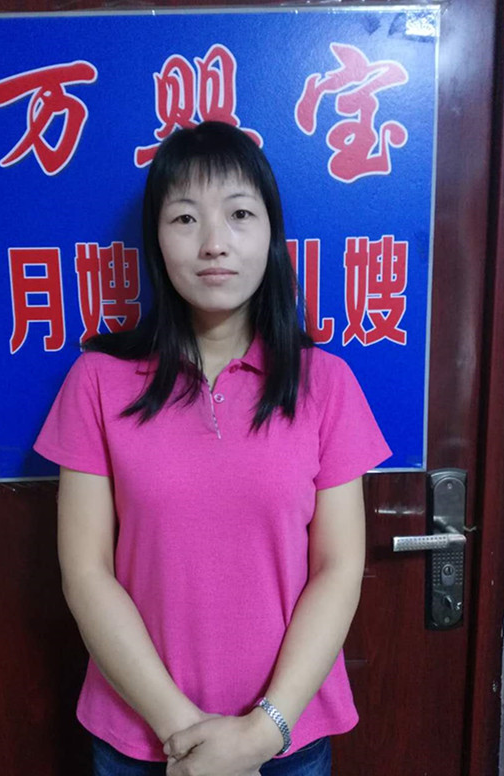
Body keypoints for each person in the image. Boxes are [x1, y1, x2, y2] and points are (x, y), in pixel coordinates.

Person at [34, 120, 391, 776]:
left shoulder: (326, 384)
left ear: (271, 235)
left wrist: (261, 733)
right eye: (184, 218)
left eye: (239, 214)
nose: (214, 243)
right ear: (156, 239)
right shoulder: (97, 382)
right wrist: (186, 737)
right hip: (140, 739)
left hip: (285, 741)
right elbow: (85, 571)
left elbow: (338, 567)